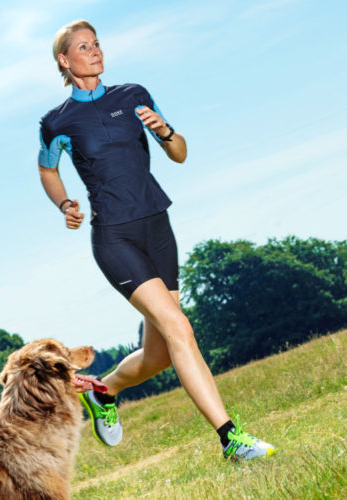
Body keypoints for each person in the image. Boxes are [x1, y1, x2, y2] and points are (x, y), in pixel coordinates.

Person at [37, 19, 276, 460]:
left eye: (97, 44)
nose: (95, 51)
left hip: (158, 227)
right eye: (83, 47)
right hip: (115, 237)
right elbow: (47, 168)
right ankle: (231, 439)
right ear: (64, 61)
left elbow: (179, 152)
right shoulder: (57, 122)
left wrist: (164, 130)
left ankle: (102, 392)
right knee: (180, 328)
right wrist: (64, 204)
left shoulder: (133, 96)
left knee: (161, 354)